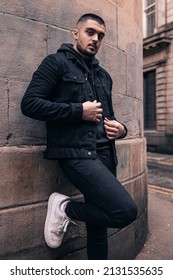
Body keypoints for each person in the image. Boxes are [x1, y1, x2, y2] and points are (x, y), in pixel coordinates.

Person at [21, 13, 138, 260]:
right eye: (90, 32)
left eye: (100, 36)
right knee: (125, 212)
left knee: (98, 230)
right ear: (76, 33)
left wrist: (122, 129)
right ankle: (66, 209)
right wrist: (78, 111)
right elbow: (30, 104)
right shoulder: (55, 63)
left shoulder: (104, 75)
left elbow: (109, 116)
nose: (95, 39)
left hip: (106, 154)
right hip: (77, 155)